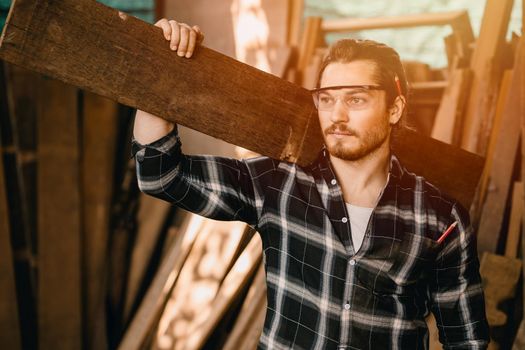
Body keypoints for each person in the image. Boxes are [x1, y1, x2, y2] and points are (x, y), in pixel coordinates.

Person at [132, 18, 489, 349]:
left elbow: (466, 340)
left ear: (395, 109)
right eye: (327, 99)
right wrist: (162, 64)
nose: (338, 115)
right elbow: (161, 176)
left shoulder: (442, 220)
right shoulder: (277, 185)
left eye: (357, 99)